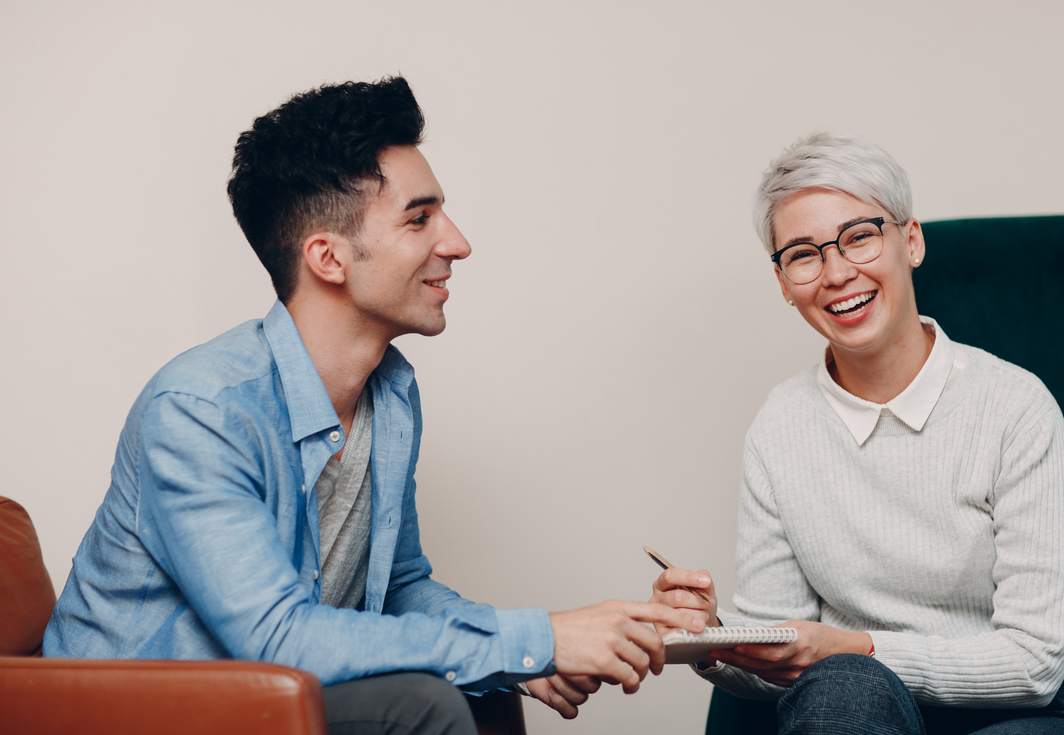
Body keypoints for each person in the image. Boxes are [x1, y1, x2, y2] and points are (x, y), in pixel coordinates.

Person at [44, 76, 702, 734]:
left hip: (263, 696)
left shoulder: (389, 394)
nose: (457, 243)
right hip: (132, 709)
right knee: (426, 703)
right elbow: (274, 637)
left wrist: (525, 653)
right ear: (328, 257)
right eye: (420, 218)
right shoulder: (200, 412)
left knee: (483, 693)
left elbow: (400, 591)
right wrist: (534, 638)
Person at [650, 134, 1064, 735]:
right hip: (854, 709)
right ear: (784, 282)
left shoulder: (1015, 407)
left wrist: (852, 648)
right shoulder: (780, 426)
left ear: (911, 241)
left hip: (1030, 713)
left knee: (842, 677)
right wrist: (711, 638)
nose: (838, 273)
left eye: (859, 236)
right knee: (841, 689)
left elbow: (1035, 663)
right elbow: (785, 658)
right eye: (803, 254)